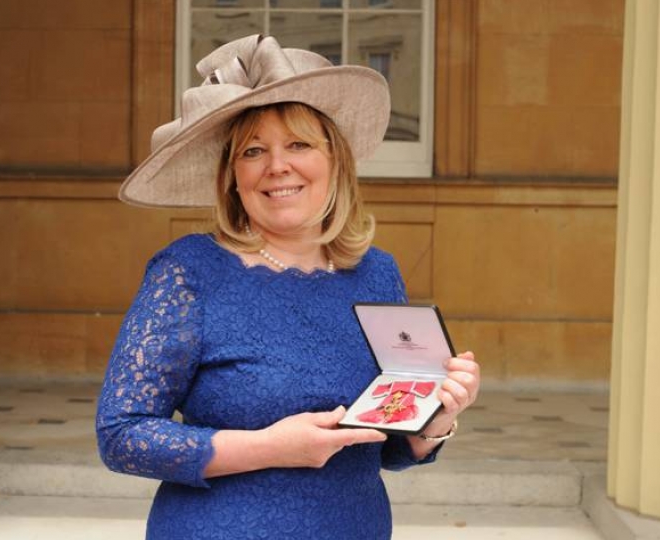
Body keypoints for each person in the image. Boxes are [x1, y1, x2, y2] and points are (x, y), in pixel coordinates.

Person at [96, 34, 480, 539]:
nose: (278, 166)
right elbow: (122, 435)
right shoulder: (187, 272)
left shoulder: (377, 274)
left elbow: (384, 444)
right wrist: (270, 447)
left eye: (298, 144)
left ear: (335, 160)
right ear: (233, 176)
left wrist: (435, 420)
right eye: (254, 151)